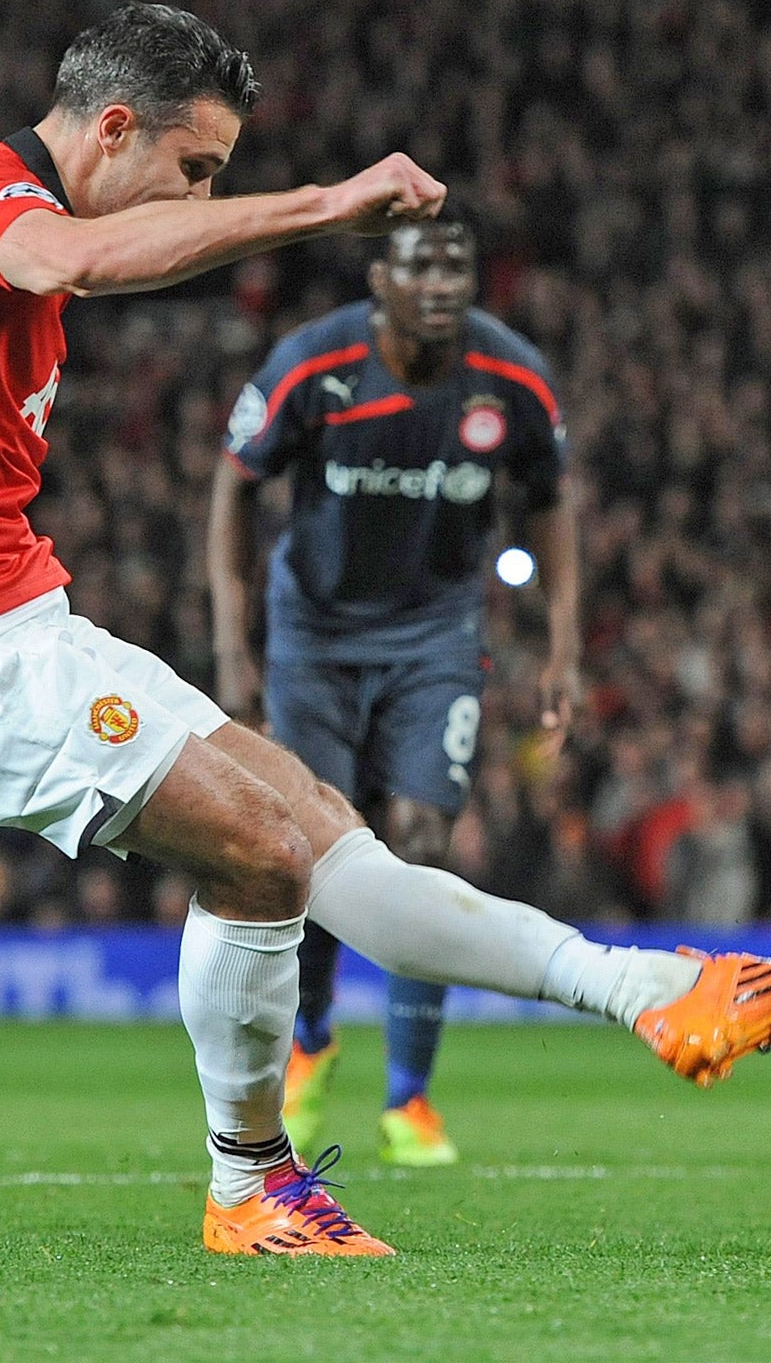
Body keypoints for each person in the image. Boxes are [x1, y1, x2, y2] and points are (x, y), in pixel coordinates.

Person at [0, 2, 771, 1257]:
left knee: (323, 835)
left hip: (12, 613)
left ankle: (652, 993)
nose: (199, 195)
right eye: (194, 170)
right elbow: (75, 262)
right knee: (256, 855)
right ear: (112, 129)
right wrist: (325, 203)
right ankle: (251, 1186)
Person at [208, 208, 581, 1168]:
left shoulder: (511, 378)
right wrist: (232, 641)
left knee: (419, 846)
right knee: (316, 851)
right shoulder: (313, 365)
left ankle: (410, 1098)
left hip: (435, 639)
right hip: (315, 640)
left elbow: (551, 500)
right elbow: (234, 485)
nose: (441, 283)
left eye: (457, 266)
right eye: (419, 265)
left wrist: (564, 642)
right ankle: (312, 1039)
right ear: (381, 283)